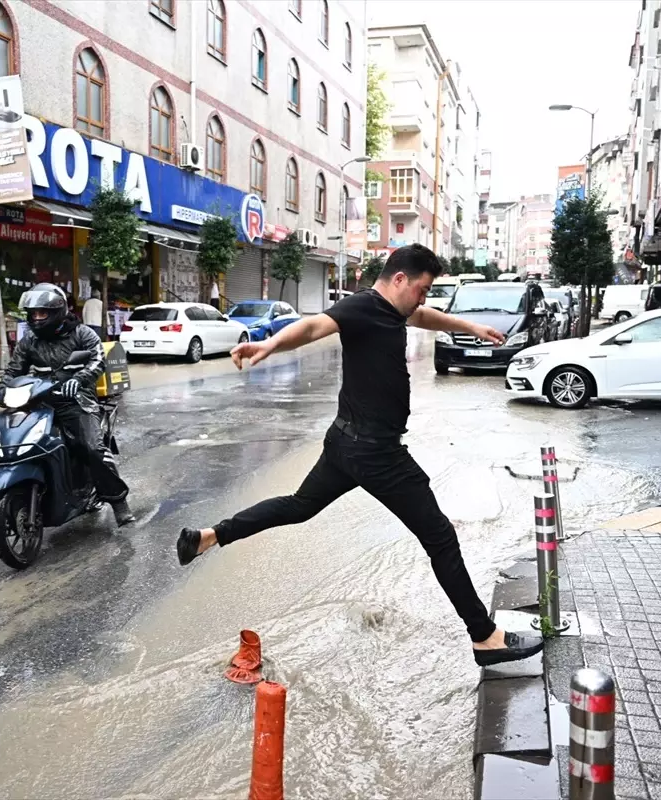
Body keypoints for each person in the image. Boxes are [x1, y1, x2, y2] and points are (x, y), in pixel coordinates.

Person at [174, 244, 545, 666]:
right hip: (376, 453)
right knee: (440, 538)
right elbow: (313, 327)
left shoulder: (395, 308)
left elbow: (421, 316)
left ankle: (209, 536)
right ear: (400, 279)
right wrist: (268, 345)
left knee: (299, 506)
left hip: (344, 443)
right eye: (422, 288)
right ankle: (485, 637)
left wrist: (468, 327)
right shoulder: (361, 307)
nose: (423, 299)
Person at [0, 283, 135, 523]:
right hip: (39, 401)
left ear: (57, 312)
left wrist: (79, 379)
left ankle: (118, 501)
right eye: (33, 314)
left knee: (92, 447)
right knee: (14, 439)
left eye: (42, 313)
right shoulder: (29, 340)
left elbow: (96, 360)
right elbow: (13, 370)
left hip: (77, 401)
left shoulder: (82, 334)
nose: (37, 319)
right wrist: (0, 390)